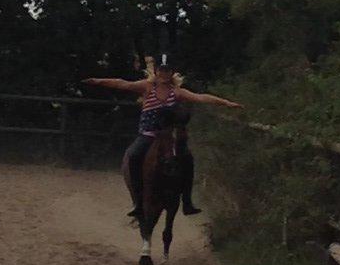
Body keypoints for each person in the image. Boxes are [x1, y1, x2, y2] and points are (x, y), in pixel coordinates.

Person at [83, 63, 243, 218]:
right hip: (148, 134)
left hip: (168, 136)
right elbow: (123, 84)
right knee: (133, 155)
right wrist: (98, 81)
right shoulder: (146, 87)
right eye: (162, 70)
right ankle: (137, 201)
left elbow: (200, 98)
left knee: (187, 159)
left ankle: (187, 201)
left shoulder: (177, 93)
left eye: (167, 71)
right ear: (157, 72)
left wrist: (225, 103)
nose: (164, 74)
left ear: (171, 73)